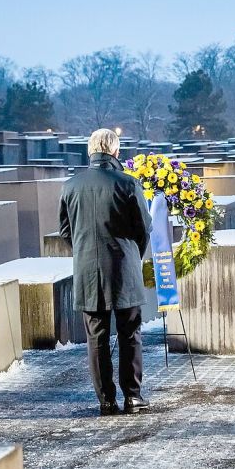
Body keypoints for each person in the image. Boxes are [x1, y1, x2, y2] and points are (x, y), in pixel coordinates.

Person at [59, 128, 153, 416]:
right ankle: (132, 397)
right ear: (115, 151)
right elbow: (143, 228)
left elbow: (66, 232)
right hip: (123, 268)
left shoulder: (70, 186)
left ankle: (106, 400)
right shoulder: (127, 183)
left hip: (88, 271)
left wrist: (85, 250)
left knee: (96, 337)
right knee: (130, 334)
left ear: (90, 151)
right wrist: (131, 253)